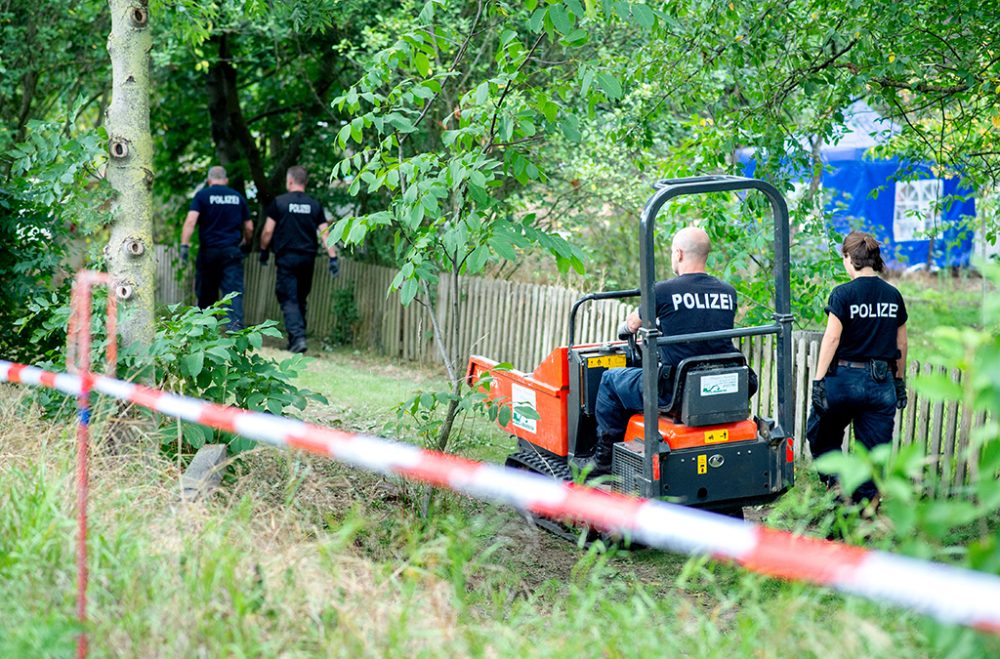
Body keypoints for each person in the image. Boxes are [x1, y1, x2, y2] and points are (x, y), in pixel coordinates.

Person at [585, 226, 757, 475]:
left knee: (610, 380)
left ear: (678, 253)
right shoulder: (727, 292)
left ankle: (603, 459)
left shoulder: (663, 291)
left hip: (674, 390)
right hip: (723, 380)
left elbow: (632, 324)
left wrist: (627, 329)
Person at [806, 231, 908, 505]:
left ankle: (836, 483)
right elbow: (902, 342)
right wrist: (898, 381)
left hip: (843, 381)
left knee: (820, 432)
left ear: (850, 258)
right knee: (873, 453)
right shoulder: (893, 295)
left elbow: (832, 337)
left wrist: (818, 381)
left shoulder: (842, 294)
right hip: (881, 382)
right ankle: (865, 517)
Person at [259, 165, 338, 354]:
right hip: (307, 259)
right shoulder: (314, 205)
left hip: (287, 258)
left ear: (290, 181)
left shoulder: (279, 203)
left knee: (289, 299)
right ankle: (296, 339)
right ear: (306, 182)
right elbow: (325, 233)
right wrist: (333, 257)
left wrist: (263, 250)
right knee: (300, 299)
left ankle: (298, 339)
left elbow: (268, 231)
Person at [180, 165, 253, 331]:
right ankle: (235, 330)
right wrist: (247, 243)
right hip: (231, 252)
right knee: (233, 293)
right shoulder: (237, 197)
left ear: (209, 180)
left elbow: (191, 221)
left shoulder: (202, 196)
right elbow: (249, 227)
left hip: (209, 253)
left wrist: (184, 245)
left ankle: (206, 329)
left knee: (206, 293)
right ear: (225, 180)